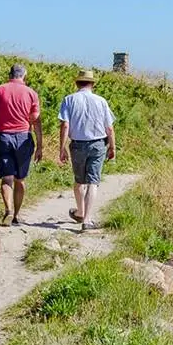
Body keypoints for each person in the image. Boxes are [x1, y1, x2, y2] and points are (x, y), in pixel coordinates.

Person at [58, 69, 116, 231]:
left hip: (77, 144)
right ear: (92, 84)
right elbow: (109, 128)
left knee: (79, 181)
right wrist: (112, 146)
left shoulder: (69, 100)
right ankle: (87, 220)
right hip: (98, 144)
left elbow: (65, 125)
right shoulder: (101, 101)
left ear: (77, 83)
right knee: (93, 182)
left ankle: (80, 212)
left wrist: (62, 148)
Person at [0, 63, 42, 226]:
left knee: (7, 178)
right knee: (20, 179)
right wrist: (40, 145)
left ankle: (8, 210)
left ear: (10, 75)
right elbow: (36, 121)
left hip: (3, 137)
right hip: (23, 137)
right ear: (24, 75)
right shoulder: (31, 93)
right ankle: (17, 215)